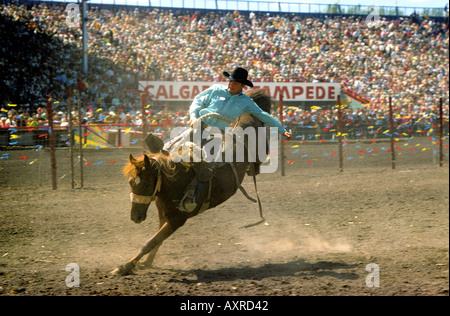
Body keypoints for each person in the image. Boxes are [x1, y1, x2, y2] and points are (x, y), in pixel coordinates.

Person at [179, 67, 291, 212]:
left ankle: (192, 196)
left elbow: (264, 116)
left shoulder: (246, 102)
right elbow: (197, 101)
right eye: (231, 81)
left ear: (242, 86)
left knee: (207, 164)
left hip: (216, 136)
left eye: (235, 83)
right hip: (199, 126)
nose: (231, 84)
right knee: (176, 147)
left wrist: (282, 130)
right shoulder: (215, 90)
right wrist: (193, 117)